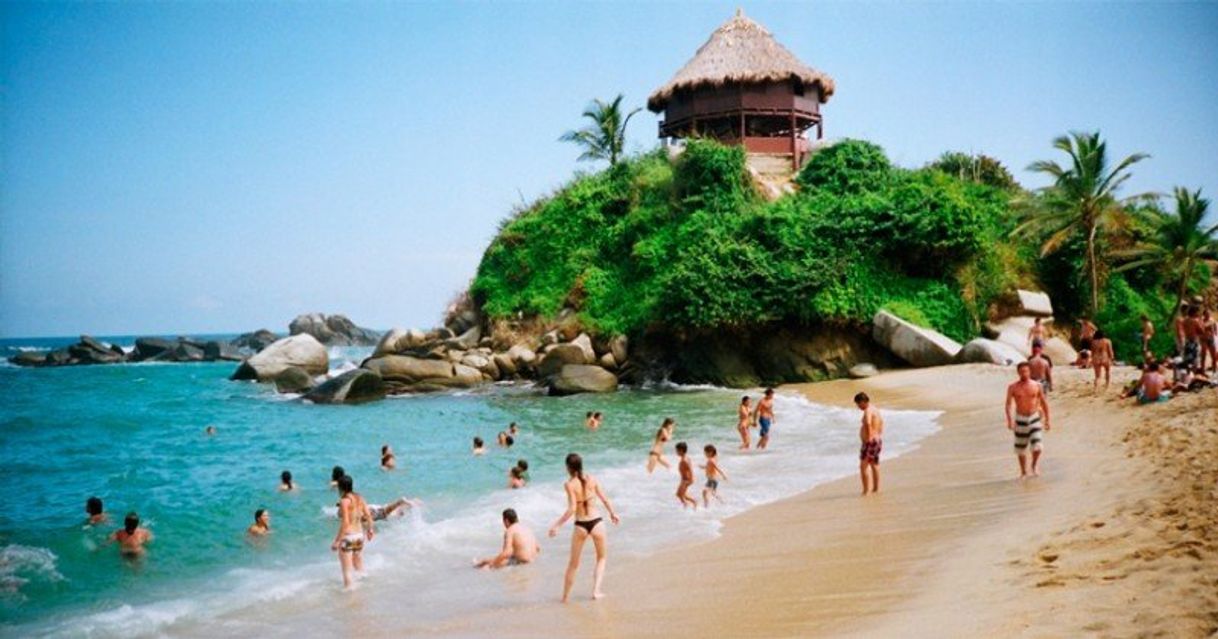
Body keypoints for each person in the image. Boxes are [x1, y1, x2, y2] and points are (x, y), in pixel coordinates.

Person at [548, 453, 619, 603]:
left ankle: (565, 598)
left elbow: (572, 509)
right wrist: (613, 513)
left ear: (568, 468)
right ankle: (596, 591)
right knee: (601, 558)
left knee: (573, 564)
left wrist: (557, 525)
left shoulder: (569, 484)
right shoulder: (592, 479)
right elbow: (604, 499)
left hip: (581, 525)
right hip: (597, 522)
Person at [1005, 362, 1052, 479]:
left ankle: (1034, 465)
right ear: (1018, 373)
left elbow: (1044, 402)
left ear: (1030, 372)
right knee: (1020, 448)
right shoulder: (1013, 387)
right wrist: (1010, 420)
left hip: (1034, 417)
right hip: (1020, 418)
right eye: (1021, 371)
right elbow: (1008, 405)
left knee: (1038, 447)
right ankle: (1023, 472)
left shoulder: (1037, 385)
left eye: (1026, 371)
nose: (1024, 373)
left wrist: (1047, 419)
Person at [330, 475, 375, 589]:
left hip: (348, 537)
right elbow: (368, 515)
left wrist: (337, 541)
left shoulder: (344, 501)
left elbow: (345, 523)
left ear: (340, 487)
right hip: (359, 536)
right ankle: (366, 589)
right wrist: (370, 529)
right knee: (359, 567)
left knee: (347, 572)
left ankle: (350, 596)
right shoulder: (360, 498)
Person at [474, 508, 540, 569]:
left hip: (522, 563)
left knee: (486, 567)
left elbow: (507, 552)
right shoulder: (526, 528)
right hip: (532, 561)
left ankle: (477, 566)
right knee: (486, 561)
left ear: (506, 521)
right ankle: (481, 562)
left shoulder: (510, 530)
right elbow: (538, 548)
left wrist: (493, 564)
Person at [855, 392, 885, 495]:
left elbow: (868, 423)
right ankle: (875, 489)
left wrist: (869, 438)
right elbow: (881, 422)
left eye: (858, 404)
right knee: (874, 464)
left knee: (863, 467)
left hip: (870, 442)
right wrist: (877, 434)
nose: (858, 407)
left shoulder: (868, 410)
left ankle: (866, 491)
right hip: (876, 440)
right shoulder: (875, 409)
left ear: (863, 402)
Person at [674, 442, 698, 509]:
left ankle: (687, 505)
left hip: (686, 480)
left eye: (677, 450)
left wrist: (691, 479)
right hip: (684, 479)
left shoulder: (684, 460)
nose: (676, 452)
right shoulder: (685, 458)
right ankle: (693, 502)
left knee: (680, 494)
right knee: (680, 494)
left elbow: (690, 469)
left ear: (681, 450)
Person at [1182, 306, 1204, 371]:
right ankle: (1193, 372)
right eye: (1197, 312)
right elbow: (1202, 331)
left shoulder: (1185, 320)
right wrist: (1200, 321)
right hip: (1194, 341)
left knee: (1188, 358)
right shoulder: (1195, 321)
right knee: (1195, 359)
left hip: (1187, 340)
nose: (1198, 313)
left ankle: (1188, 372)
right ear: (1194, 312)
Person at [1202, 309, 1218, 373]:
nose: (1208, 315)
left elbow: (1215, 331)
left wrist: (1214, 334)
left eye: (1209, 313)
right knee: (1203, 355)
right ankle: (1202, 370)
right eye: (1207, 314)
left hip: (1211, 339)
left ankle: (1214, 371)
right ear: (1204, 314)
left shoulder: (1212, 321)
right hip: (1204, 340)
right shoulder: (1201, 321)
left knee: (1214, 356)